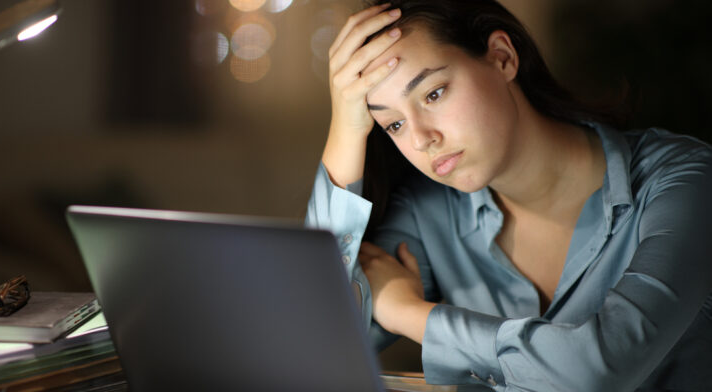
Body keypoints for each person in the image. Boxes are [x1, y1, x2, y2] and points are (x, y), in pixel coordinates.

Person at [304, 0, 712, 390]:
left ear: (502, 57)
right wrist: (346, 131)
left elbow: (599, 373)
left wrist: (407, 313)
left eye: (433, 93)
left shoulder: (683, 182)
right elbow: (311, 346)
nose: (421, 139)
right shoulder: (428, 214)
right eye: (394, 125)